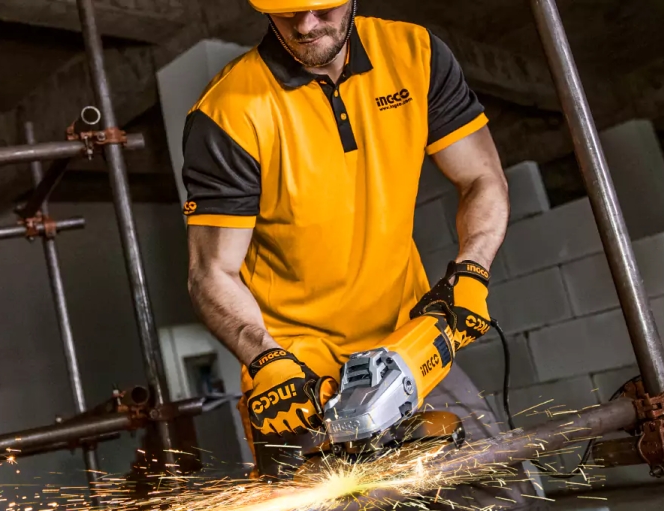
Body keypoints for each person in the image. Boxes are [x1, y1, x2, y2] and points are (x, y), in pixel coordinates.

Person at [181, 0, 535, 507]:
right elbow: (211, 271)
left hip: (409, 345)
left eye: (321, 8)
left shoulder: (414, 54)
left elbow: (482, 177)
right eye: (286, 13)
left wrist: (471, 271)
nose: (305, 25)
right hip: (297, 378)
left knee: (501, 494)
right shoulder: (227, 111)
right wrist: (266, 359)